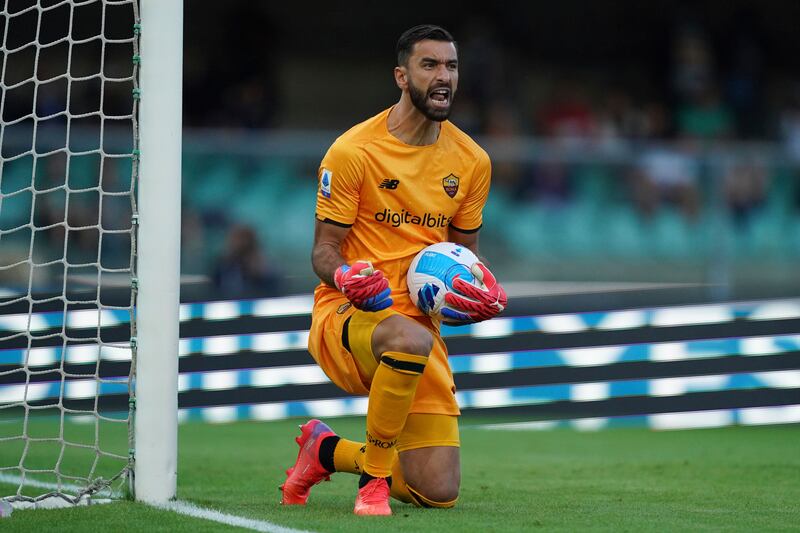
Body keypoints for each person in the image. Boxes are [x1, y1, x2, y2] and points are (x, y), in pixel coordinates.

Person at [279, 24, 507, 516]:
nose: (443, 76)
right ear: (402, 77)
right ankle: (373, 484)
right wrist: (344, 277)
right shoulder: (353, 151)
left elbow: (465, 257)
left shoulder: (472, 162)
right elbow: (323, 251)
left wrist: (480, 292)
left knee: (436, 492)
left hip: (420, 329)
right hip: (348, 318)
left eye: (451, 66)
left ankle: (324, 451)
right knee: (408, 339)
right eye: (430, 66)